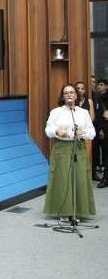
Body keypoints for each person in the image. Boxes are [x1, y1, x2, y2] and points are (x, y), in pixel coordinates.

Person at [44, 84, 96, 219]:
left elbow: (92, 132)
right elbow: (48, 130)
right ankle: (64, 211)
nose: (69, 95)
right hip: (62, 148)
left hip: (79, 148)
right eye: (66, 93)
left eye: (72, 92)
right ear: (62, 96)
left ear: (76, 95)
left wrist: (83, 132)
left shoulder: (83, 113)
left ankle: (78, 211)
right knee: (63, 179)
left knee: (79, 178)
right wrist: (56, 130)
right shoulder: (56, 112)